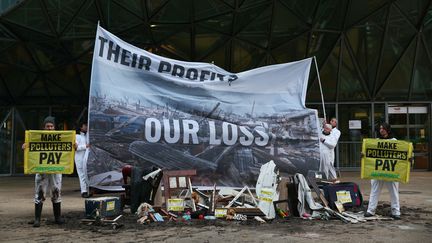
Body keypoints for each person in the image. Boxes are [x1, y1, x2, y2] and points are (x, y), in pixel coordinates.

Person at [23, 116, 65, 227]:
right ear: (44, 127)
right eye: (48, 126)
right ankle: (37, 219)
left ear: (54, 127)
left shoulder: (61, 138)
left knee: (56, 191)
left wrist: (73, 146)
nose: (50, 128)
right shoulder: (37, 138)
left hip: (56, 170)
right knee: (39, 192)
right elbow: (30, 146)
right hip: (42, 170)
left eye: (51, 126)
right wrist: (25, 147)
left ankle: (58, 218)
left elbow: (67, 148)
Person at [364, 122, 401, 220]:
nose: (381, 130)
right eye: (380, 128)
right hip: (378, 170)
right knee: (374, 191)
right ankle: (370, 210)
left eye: (383, 128)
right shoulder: (376, 141)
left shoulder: (394, 141)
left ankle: (396, 211)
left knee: (394, 191)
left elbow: (400, 154)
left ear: (388, 129)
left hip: (390, 171)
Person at [75, 121, 91, 198]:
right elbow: (76, 148)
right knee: (82, 175)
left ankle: (87, 190)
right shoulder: (77, 136)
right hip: (79, 158)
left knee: (86, 174)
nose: (86, 127)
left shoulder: (86, 136)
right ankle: (83, 191)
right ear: (81, 127)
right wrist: (86, 146)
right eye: (85, 125)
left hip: (85, 158)